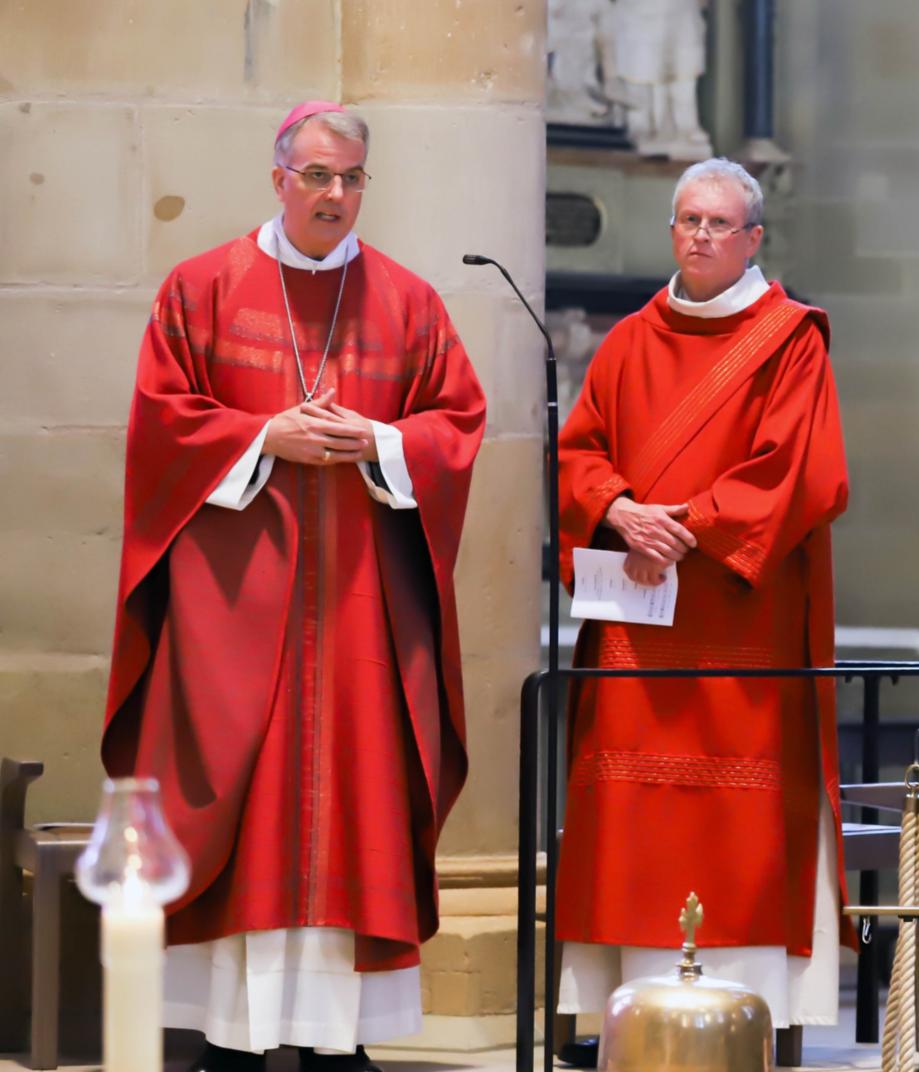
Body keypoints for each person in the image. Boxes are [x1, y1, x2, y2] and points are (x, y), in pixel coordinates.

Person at [104, 102, 486, 1072]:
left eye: (353, 178)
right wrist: (259, 435)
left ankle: (333, 1035)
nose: (336, 195)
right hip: (234, 609)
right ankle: (232, 1034)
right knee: (248, 796)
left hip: (361, 610)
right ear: (278, 178)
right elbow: (159, 424)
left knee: (350, 803)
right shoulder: (203, 288)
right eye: (318, 175)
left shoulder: (408, 301)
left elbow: (458, 423)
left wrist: (386, 442)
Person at [554, 159, 850, 1036]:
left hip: (739, 627)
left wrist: (683, 525)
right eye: (687, 221)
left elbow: (800, 470)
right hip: (638, 632)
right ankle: (620, 1014)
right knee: (629, 821)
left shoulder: (792, 340)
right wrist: (615, 510)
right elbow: (578, 452)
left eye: (719, 224)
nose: (699, 237)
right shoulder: (629, 340)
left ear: (754, 238)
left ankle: (743, 1015)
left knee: (737, 826)